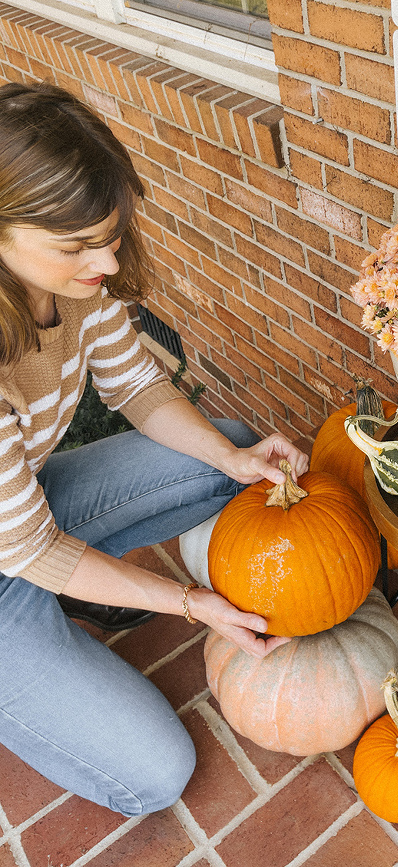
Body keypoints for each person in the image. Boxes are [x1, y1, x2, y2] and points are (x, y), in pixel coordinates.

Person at [0, 81, 309, 816]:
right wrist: (187, 602)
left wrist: (230, 462)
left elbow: (136, 383)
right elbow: (33, 552)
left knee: (225, 450)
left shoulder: (74, 284)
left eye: (110, 236)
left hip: (24, 521)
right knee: (155, 774)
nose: (105, 264)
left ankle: (74, 606)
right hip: (19, 549)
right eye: (77, 247)